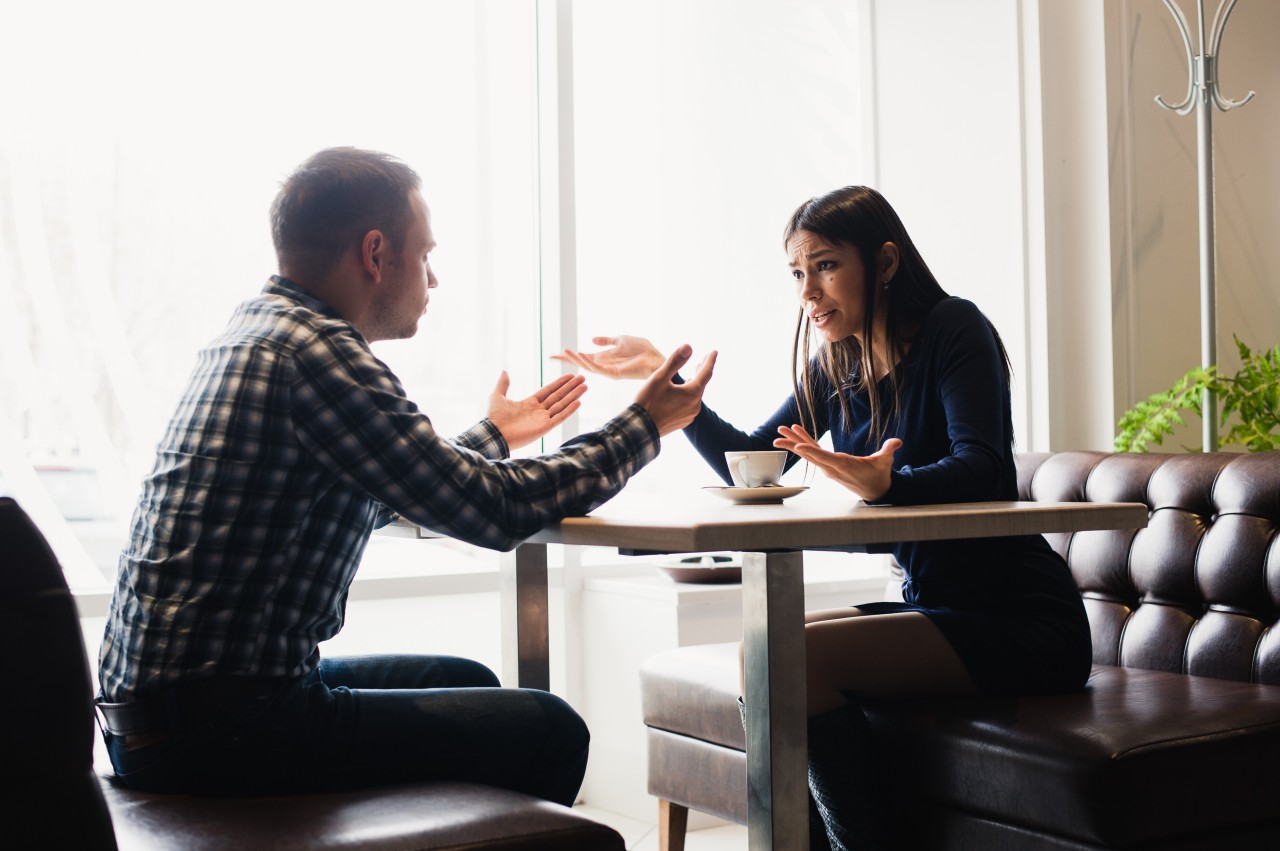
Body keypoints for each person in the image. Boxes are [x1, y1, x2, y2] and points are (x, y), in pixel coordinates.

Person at [95, 147, 716, 802]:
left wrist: (496, 435)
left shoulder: (256, 330)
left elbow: (391, 486)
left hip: (160, 716)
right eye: (425, 254)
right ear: (375, 252)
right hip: (221, 728)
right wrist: (642, 425)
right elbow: (494, 512)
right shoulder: (318, 354)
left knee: (471, 681)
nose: (433, 278)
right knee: (551, 728)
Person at [554, 185, 1091, 850]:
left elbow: (982, 467)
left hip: (1025, 619)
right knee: (770, 652)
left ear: (886, 262)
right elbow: (753, 464)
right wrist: (676, 399)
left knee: (792, 658)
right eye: (798, 274)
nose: (809, 292)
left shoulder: (955, 328)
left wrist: (890, 480)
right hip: (940, 607)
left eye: (826, 265)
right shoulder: (835, 363)